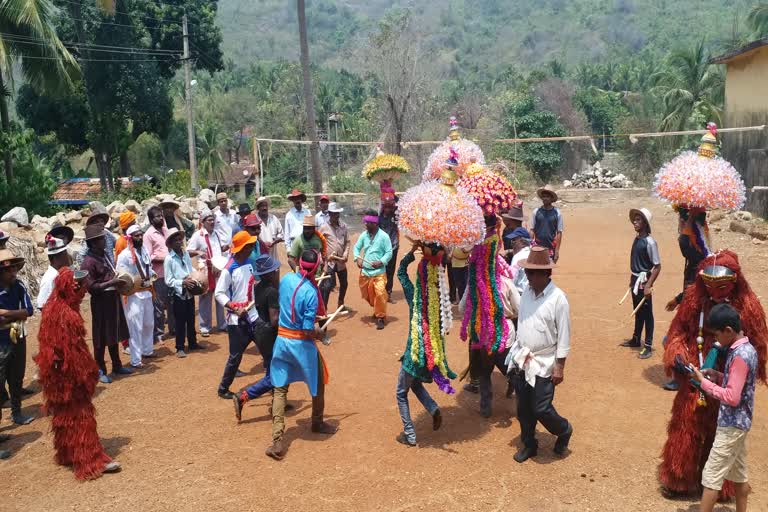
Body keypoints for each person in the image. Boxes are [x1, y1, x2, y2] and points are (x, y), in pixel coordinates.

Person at [659, 250, 767, 500]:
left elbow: (758, 345)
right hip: (695, 377)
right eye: (710, 284)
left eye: (723, 285)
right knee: (685, 427)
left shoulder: (748, 308)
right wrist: (678, 355)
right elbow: (677, 332)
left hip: (727, 383)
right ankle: (679, 479)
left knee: (721, 435)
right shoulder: (692, 301)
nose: (716, 291)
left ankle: (720, 488)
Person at [35, 267, 121, 479]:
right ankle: (89, 461)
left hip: (53, 377)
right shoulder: (67, 316)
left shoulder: (51, 307)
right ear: (71, 288)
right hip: (67, 377)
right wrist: (87, 375)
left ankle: (67, 454)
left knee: (64, 417)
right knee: (82, 417)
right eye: (82, 288)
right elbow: (71, 353)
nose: (84, 292)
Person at [266, 249, 336, 460]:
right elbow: (307, 329)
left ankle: (277, 440)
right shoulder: (311, 293)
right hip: (301, 345)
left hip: (282, 342)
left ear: (297, 263)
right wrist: (321, 333)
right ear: (315, 269)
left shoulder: (286, 280)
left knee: (280, 389)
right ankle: (317, 422)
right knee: (318, 382)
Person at [508, 246, 572, 463]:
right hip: (523, 359)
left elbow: (564, 335)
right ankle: (529, 444)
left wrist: (559, 366)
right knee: (523, 408)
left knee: (541, 408)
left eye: (532, 273)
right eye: (527, 272)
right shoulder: (526, 292)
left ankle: (563, 430)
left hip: (544, 362)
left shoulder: (558, 299)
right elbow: (521, 318)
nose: (527, 276)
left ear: (546, 273)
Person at [693, 304, 758, 512]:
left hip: (732, 425)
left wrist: (704, 383)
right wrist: (718, 376)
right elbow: (738, 383)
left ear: (728, 330)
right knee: (739, 475)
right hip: (739, 424)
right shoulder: (746, 349)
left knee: (711, 476)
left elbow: (731, 396)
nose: (715, 340)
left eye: (717, 335)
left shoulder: (739, 356)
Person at [395, 242, 452, 446]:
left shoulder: (415, 296)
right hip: (428, 356)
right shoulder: (438, 300)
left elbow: (401, 273)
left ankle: (409, 435)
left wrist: (411, 254)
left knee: (401, 393)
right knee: (415, 384)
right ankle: (433, 408)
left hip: (414, 354)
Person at [460, 216, 516, 414]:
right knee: (509, 368)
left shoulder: (472, 286)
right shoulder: (507, 283)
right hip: (504, 333)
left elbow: (461, 309)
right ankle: (515, 387)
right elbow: (517, 308)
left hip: (481, 336)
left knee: (484, 372)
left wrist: (475, 312)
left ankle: (485, 407)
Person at [662, 208, 709, 391]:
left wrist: (678, 299)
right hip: (696, 305)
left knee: (672, 340)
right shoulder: (702, 252)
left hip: (695, 309)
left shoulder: (692, 251)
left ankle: (684, 377)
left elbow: (693, 288)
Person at [232, 254, 282, 421]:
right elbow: (275, 320)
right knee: (274, 374)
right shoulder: (272, 291)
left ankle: (278, 401)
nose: (278, 273)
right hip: (270, 333)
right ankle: (243, 396)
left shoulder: (258, 286)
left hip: (260, 330)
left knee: (274, 367)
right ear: (269, 274)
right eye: (276, 271)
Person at [80, 225, 132, 384]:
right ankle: (100, 369)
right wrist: (112, 282)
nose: (105, 241)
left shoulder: (104, 256)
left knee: (114, 331)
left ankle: (117, 365)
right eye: (102, 239)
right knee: (101, 336)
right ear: (94, 243)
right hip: (101, 302)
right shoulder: (88, 262)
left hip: (112, 298)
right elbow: (91, 287)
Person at [215, 231, 260, 399]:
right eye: (249, 246)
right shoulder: (229, 269)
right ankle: (223, 388)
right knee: (235, 356)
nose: (251, 248)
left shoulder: (249, 263)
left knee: (267, 349)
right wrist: (234, 308)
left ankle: (273, 384)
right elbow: (219, 293)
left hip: (253, 315)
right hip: (237, 320)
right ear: (242, 249)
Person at [620, 208, 661, 359]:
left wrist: (649, 285)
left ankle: (648, 346)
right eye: (635, 220)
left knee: (647, 313)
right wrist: (632, 280)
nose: (635, 223)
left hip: (644, 281)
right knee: (637, 311)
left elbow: (657, 266)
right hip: (635, 279)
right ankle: (636, 339)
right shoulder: (637, 239)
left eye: (639, 220)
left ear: (645, 223)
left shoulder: (650, 242)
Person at [0, 249, 34, 428]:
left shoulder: (19, 286)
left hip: (17, 335)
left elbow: (28, 311)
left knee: (17, 376)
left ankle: (17, 412)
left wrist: (6, 313)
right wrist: (17, 315)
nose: (13, 272)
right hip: (1, 340)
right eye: (8, 270)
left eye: (14, 268)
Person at [116, 225, 156, 368]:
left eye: (141, 235)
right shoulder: (124, 256)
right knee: (135, 326)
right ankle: (135, 359)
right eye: (136, 236)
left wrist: (151, 275)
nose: (139, 238)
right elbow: (121, 275)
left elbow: (148, 267)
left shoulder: (144, 250)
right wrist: (134, 284)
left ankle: (147, 350)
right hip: (133, 295)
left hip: (146, 291)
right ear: (130, 238)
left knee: (149, 323)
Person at [186, 208, 226, 338]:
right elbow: (188, 251)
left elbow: (219, 250)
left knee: (220, 296)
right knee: (205, 297)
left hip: (218, 269)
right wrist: (198, 253)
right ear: (203, 222)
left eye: (213, 219)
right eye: (209, 220)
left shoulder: (217, 234)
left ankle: (222, 324)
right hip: (206, 270)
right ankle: (204, 326)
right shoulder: (198, 235)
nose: (212, 222)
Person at [353, 209, 393, 330]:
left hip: (379, 272)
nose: (365, 224)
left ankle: (380, 317)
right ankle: (377, 309)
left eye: (368, 223)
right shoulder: (363, 235)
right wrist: (357, 259)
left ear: (374, 223)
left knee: (380, 293)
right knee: (367, 295)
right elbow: (356, 248)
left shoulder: (384, 236)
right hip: (365, 273)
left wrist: (381, 261)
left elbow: (389, 252)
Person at [164, 228, 200, 358]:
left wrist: (196, 275)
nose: (179, 242)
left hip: (189, 290)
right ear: (171, 244)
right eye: (176, 240)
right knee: (180, 320)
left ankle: (193, 342)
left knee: (191, 317)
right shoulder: (169, 259)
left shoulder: (185, 255)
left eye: (180, 239)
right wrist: (182, 282)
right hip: (178, 293)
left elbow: (190, 269)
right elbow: (168, 280)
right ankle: (179, 346)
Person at [143, 206, 172, 343]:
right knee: (159, 306)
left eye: (161, 215)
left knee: (172, 303)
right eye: (157, 216)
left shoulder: (166, 230)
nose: (161, 218)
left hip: (171, 273)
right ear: (151, 219)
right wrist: (165, 259)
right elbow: (147, 258)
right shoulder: (148, 235)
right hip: (159, 274)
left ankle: (173, 329)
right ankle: (159, 333)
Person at [318, 202, 350, 311]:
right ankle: (324, 309)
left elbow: (347, 242)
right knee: (327, 286)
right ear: (330, 214)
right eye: (334, 214)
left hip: (341, 262)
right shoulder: (323, 227)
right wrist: (323, 259)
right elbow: (319, 244)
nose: (336, 216)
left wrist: (345, 254)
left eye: (338, 214)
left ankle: (341, 304)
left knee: (344, 284)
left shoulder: (343, 226)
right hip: (329, 262)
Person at [37, 228, 74, 309]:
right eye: (64, 254)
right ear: (55, 258)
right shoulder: (49, 279)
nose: (67, 258)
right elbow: (41, 306)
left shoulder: (64, 272)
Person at [75, 204, 116, 269]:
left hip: (110, 268)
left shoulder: (108, 234)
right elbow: (80, 256)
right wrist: (89, 268)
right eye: (97, 222)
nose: (100, 223)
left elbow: (117, 244)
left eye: (102, 221)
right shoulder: (91, 238)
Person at [530, 185, 563, 263]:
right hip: (537, 247)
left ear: (551, 198)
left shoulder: (557, 213)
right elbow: (532, 230)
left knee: (548, 271)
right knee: (536, 269)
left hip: (551, 248)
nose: (545, 198)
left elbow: (559, 232)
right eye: (543, 196)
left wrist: (557, 251)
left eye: (547, 196)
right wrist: (529, 246)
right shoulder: (536, 212)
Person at [378, 198, 399, 303]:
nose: (387, 209)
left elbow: (399, 204)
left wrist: (389, 191)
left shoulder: (395, 216)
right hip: (382, 248)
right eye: (385, 206)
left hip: (393, 246)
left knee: (390, 271)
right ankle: (381, 293)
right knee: (382, 270)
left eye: (389, 206)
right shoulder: (379, 218)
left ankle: (388, 293)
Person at [255, 196, 284, 261]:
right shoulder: (255, 220)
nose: (264, 208)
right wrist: (263, 244)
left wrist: (274, 242)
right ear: (258, 208)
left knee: (275, 269)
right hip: (260, 254)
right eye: (262, 206)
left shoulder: (274, 218)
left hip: (273, 253)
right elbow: (252, 236)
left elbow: (281, 234)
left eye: (266, 206)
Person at [506, 227, 532, 295]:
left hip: (520, 296)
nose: (512, 243)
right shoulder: (533, 253)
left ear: (522, 242)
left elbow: (512, 280)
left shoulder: (518, 257)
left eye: (514, 240)